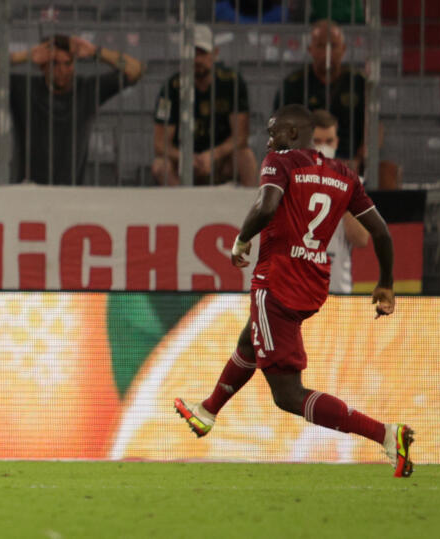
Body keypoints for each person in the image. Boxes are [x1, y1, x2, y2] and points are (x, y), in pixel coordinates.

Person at [173, 103, 414, 477]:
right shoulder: (344, 175)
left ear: (292, 134)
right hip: (312, 284)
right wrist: (385, 284)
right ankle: (207, 411)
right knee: (250, 340)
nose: (269, 139)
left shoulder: (280, 160)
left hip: (277, 281)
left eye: (274, 132)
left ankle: (385, 434)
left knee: (287, 395)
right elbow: (381, 232)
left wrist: (241, 240)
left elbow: (267, 205)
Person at [0, 33, 143, 185]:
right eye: (55, 64)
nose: (62, 70)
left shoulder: (88, 88)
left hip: (70, 191)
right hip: (27, 190)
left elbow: (135, 70)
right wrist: (26, 55)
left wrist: (95, 52)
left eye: (68, 63)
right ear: (42, 65)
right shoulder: (24, 87)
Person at [274, 20, 401, 189]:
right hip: (305, 162)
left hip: (351, 161)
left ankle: (388, 215)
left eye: (333, 46)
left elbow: (375, 128)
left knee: (388, 170)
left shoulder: (359, 82)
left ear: (344, 50)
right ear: (310, 50)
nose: (327, 52)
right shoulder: (293, 84)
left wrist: (359, 158)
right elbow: (280, 133)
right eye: (320, 46)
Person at [152, 24, 257, 187]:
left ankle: (257, 211)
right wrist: (187, 158)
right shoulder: (170, 89)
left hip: (221, 160)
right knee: (160, 166)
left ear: (215, 54)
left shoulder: (232, 83)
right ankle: (181, 208)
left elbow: (241, 137)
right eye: (192, 53)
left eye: (202, 53)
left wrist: (213, 155)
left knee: (246, 156)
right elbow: (160, 144)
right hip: (184, 164)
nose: (197, 59)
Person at [312, 109, 370, 293]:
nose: (324, 147)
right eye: (317, 141)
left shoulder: (352, 183)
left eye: (328, 141)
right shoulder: (290, 181)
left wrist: (343, 199)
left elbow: (361, 239)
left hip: (337, 292)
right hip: (297, 291)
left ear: (336, 142)